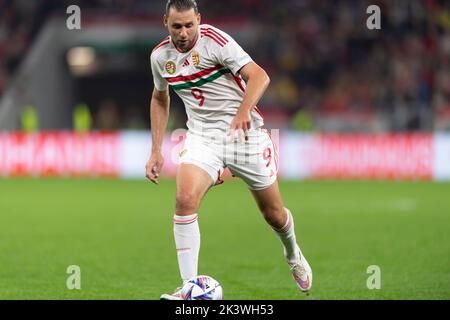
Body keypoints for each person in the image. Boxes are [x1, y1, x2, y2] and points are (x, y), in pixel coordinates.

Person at [146, 0, 312, 300]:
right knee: (184, 199)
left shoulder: (216, 42)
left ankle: (293, 254)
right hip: (201, 137)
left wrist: (244, 111)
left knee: (273, 214)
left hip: (245, 134)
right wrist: (156, 149)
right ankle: (189, 288)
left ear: (199, 19)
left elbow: (259, 75)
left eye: (188, 25)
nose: (183, 33)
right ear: (165, 23)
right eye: (176, 27)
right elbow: (160, 98)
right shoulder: (160, 56)